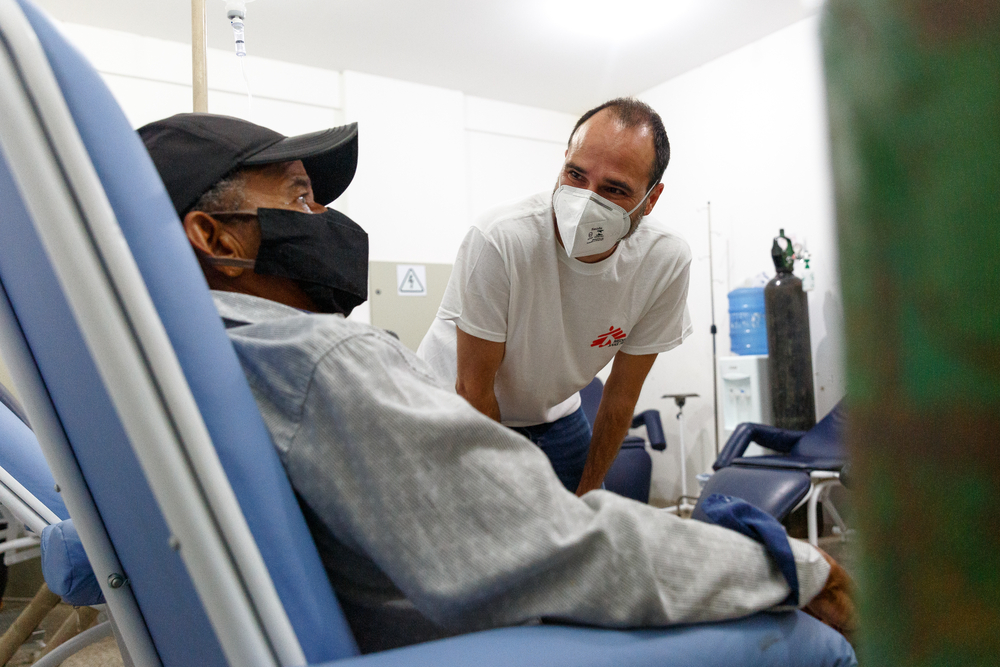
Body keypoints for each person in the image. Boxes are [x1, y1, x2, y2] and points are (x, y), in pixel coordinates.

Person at [139, 112, 854, 654]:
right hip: (456, 604)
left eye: (614, 188)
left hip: (502, 477)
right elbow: (550, 548)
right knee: (807, 634)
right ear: (215, 237)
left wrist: (582, 504)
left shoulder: (181, 364)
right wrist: (788, 562)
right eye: (301, 196)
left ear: (649, 198)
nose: (323, 217)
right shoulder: (323, 358)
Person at [417, 98, 689, 495]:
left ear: (651, 198)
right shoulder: (502, 239)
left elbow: (621, 395)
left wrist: (589, 495)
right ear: (563, 161)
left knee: (582, 530)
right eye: (576, 175)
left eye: (614, 189)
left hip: (556, 413)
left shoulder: (663, 261)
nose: (584, 202)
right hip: (455, 403)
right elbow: (474, 389)